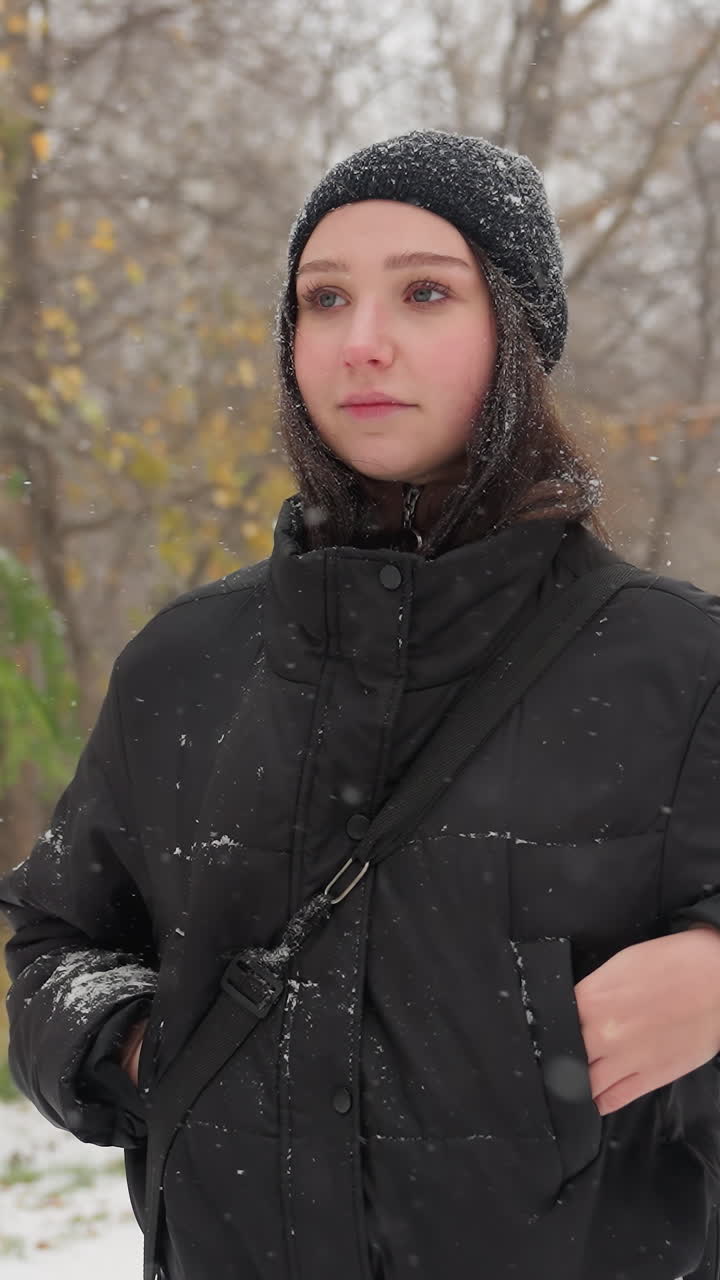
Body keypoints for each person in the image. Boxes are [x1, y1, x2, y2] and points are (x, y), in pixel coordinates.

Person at [2, 129, 720, 1280]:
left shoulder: (678, 662)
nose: (362, 341)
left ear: (518, 331)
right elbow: (56, 937)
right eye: (323, 298)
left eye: (426, 292)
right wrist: (133, 1044)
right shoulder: (186, 664)